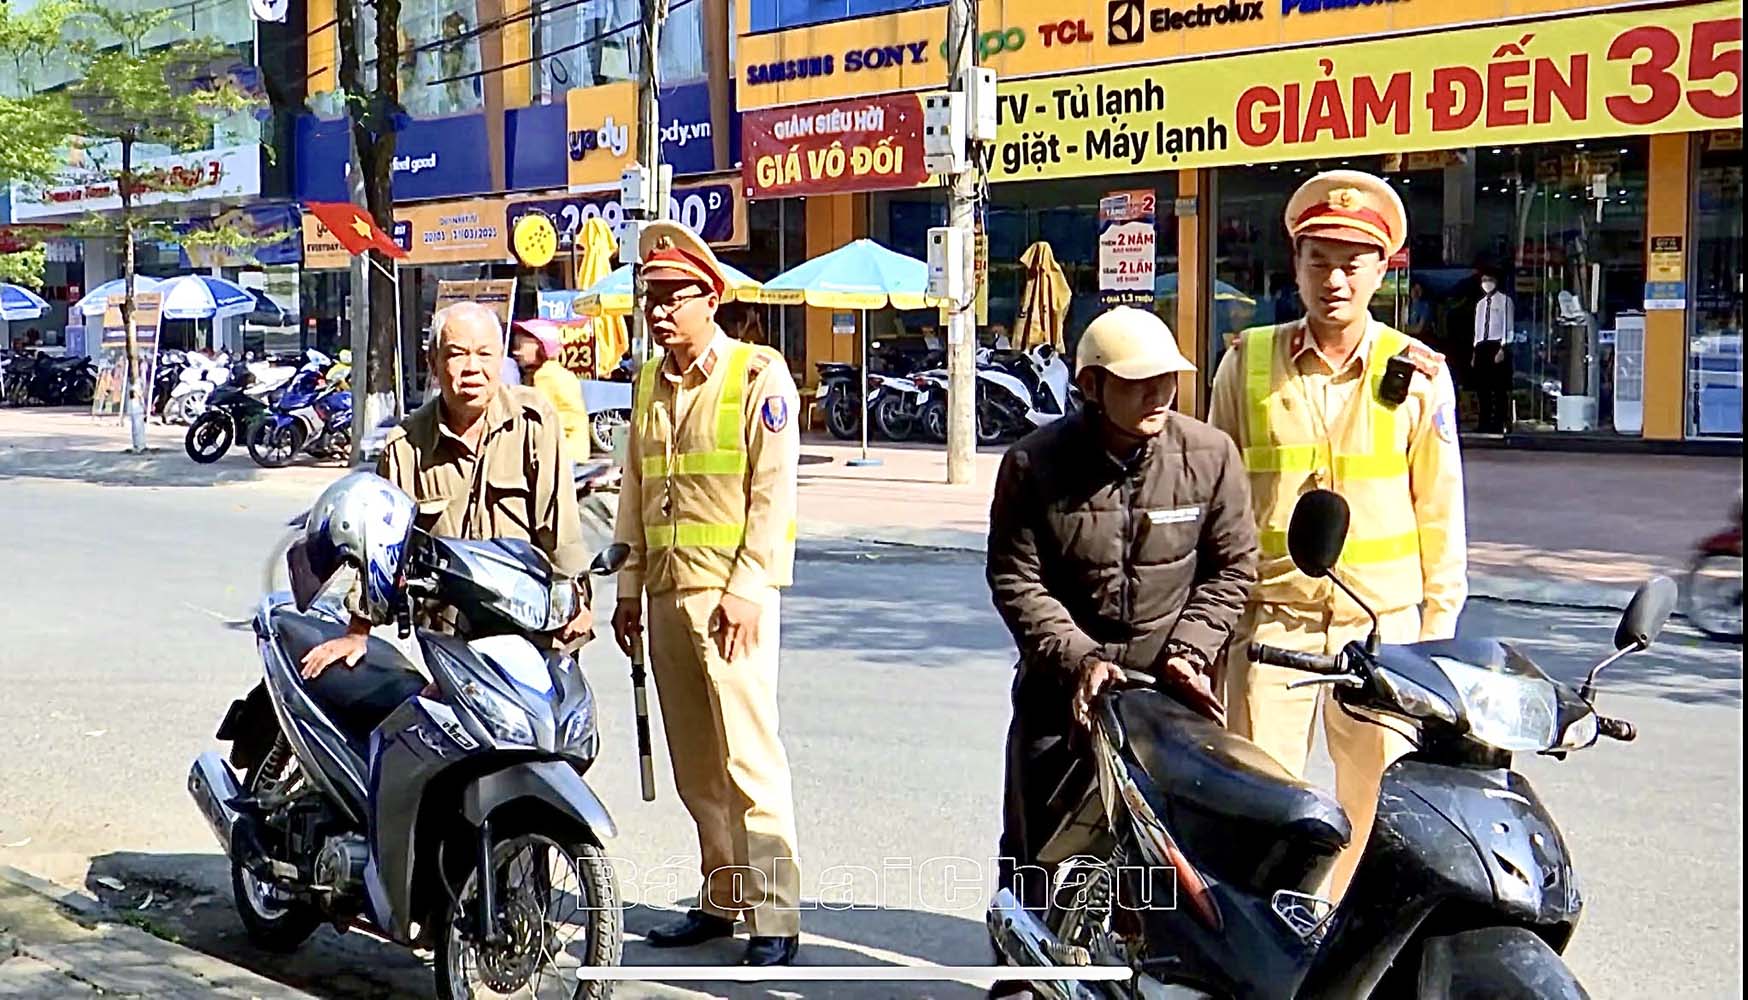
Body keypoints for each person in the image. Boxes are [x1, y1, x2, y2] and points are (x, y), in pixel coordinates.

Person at [1208, 170, 1466, 901]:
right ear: (1296, 265)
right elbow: (1217, 499)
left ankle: (1338, 946)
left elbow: (1441, 509)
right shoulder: (1245, 362)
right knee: (1262, 808)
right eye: (1318, 261)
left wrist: (1435, 635)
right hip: (1271, 625)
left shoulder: (1418, 376)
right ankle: (1266, 942)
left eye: (1353, 263)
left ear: (1381, 271)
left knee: (1375, 812)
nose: (1335, 280)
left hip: (1380, 631)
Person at [986, 306, 1259, 960]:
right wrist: (1078, 659)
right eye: (1137, 382)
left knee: (1166, 872)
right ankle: (1026, 969)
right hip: (1064, 693)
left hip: (1168, 700)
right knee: (1038, 855)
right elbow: (1017, 580)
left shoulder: (1209, 454)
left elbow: (1234, 566)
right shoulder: (1032, 465)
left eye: (1166, 379)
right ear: (1090, 384)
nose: (1157, 394)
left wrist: (1192, 650)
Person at [609, 220, 804, 967]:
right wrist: (629, 587)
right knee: (697, 767)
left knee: (749, 761)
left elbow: (773, 493)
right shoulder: (648, 383)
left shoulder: (758, 375)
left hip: (733, 603)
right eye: (650, 297)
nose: (659, 311)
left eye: (672, 296)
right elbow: (634, 491)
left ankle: (775, 916)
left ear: (710, 298)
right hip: (665, 597)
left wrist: (748, 589)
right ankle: (722, 899)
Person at [298, 300, 593, 677]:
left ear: (501, 359)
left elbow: (560, 525)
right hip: (451, 644)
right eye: (457, 354)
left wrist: (576, 601)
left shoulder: (533, 422)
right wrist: (357, 632)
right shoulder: (406, 445)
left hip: (530, 631)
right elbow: (378, 552)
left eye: (485, 354)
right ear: (433, 362)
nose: (473, 368)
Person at [510, 318, 592, 464]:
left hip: (562, 454)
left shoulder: (545, 376)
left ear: (541, 347)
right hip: (574, 451)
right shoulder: (554, 371)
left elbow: (537, 421)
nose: (516, 352)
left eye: (521, 346)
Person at [1472, 271, 1515, 433]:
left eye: (1489, 279)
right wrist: (1475, 351)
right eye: (1483, 280)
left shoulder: (1504, 301)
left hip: (1497, 345)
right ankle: (1484, 422)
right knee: (1483, 388)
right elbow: (1478, 329)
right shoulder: (1481, 304)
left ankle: (1499, 422)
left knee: (1498, 388)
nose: (1486, 283)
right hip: (1482, 346)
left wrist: (1503, 348)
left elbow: (1508, 326)